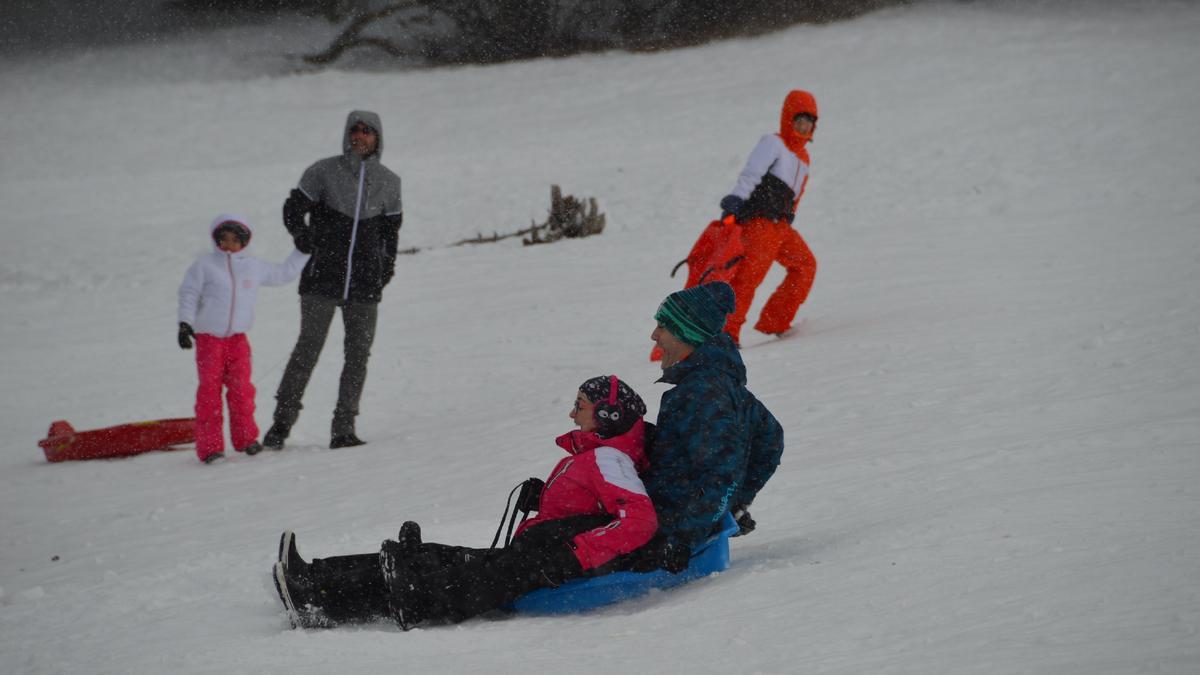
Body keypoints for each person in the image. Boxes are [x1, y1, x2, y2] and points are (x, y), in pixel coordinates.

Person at [271, 376, 656, 630]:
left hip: (543, 561)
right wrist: (544, 497)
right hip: (535, 551)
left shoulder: (609, 459)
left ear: (605, 416)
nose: (572, 413)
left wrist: (577, 553)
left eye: (581, 406)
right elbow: (590, 506)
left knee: (427, 583)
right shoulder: (602, 454)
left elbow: (639, 521)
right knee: (430, 560)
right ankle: (315, 579)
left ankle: (317, 600)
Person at [263, 110, 404, 450]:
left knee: (358, 354)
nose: (360, 136)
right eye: (354, 130)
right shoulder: (323, 171)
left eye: (367, 131)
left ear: (377, 138)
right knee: (307, 348)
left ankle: (344, 428)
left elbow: (391, 233)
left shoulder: (389, 181)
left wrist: (386, 268)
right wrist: (302, 236)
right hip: (321, 280)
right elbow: (292, 208)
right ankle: (280, 425)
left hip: (365, 285)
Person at [646, 281, 785, 550]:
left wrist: (684, 538)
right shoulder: (717, 382)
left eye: (662, 327)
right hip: (669, 521)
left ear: (686, 334)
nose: (654, 335)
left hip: (668, 529)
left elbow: (719, 471)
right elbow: (770, 437)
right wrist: (736, 504)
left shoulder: (702, 392)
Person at [177, 215, 309, 464]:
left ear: (245, 241)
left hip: (238, 340)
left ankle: (247, 439)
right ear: (216, 240)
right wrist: (184, 323)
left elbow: (283, 273)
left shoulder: (253, 266)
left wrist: (302, 251)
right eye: (223, 239)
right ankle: (210, 448)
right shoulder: (204, 265)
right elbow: (189, 293)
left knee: (242, 390)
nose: (229, 245)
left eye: (235, 240)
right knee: (209, 394)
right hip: (209, 340)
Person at [718, 90, 819, 345]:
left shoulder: (804, 158)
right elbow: (751, 174)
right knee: (748, 279)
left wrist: (792, 212)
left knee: (805, 265)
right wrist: (735, 201)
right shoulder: (773, 143)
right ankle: (726, 335)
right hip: (760, 223)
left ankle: (777, 321)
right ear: (788, 118)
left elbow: (797, 192)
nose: (804, 125)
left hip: (782, 227)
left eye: (809, 121)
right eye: (799, 119)